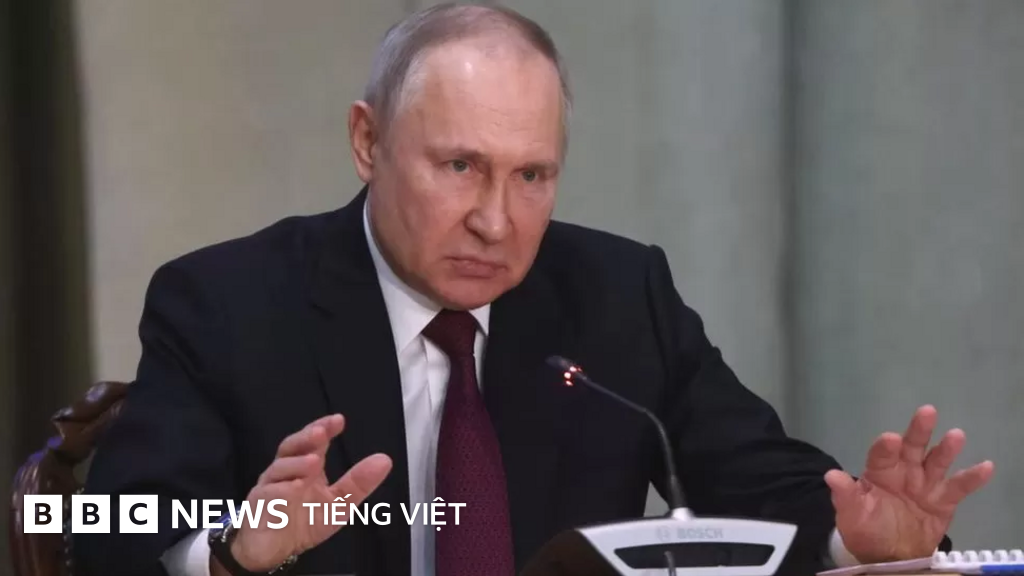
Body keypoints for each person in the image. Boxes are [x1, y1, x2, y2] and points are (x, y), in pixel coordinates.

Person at [76, 3, 994, 576]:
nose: (496, 220)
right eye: (461, 167)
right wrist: (233, 553)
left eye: (531, 177)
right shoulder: (229, 304)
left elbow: (758, 479)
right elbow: (107, 535)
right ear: (367, 142)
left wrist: (860, 542)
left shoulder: (618, 295)